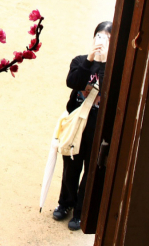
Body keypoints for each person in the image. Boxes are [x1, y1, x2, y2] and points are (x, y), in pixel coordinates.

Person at [53, 22, 111, 231]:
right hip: (76, 124)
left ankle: (81, 211)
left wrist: (104, 64)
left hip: (98, 128)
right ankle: (65, 203)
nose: (101, 41)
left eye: (107, 38)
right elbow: (73, 82)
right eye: (99, 36)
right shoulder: (79, 61)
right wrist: (90, 59)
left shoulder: (115, 69)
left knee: (90, 172)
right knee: (70, 166)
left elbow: (109, 92)